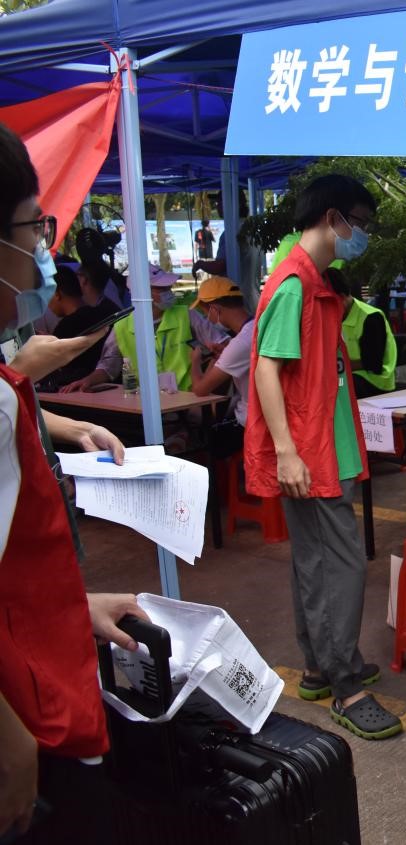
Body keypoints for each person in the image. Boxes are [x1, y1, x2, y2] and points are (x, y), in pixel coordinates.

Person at [0, 120, 148, 845]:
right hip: (35, 726)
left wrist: (68, 605)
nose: (43, 250)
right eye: (34, 226)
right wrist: (10, 743)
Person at [245, 174, 401, 740]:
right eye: (360, 223)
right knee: (341, 565)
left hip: (321, 448)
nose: (363, 235)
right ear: (333, 218)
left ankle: (319, 666)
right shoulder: (294, 286)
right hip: (310, 454)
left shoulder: (314, 282)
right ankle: (345, 686)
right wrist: (287, 453)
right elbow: (266, 370)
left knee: (316, 561)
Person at [58, 264, 226, 393]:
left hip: (188, 400)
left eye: (168, 287)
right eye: (161, 288)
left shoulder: (187, 315)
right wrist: (88, 380)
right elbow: (108, 367)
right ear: (141, 293)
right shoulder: (122, 326)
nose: (168, 292)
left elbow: (224, 344)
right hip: (147, 405)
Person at [188, 276, 255, 457]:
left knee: (209, 444)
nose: (207, 319)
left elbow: (200, 389)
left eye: (206, 313)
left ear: (215, 309)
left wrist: (195, 361)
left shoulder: (241, 342)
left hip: (251, 423)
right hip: (263, 418)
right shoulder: (255, 327)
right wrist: (223, 354)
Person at [38, 266, 115, 389]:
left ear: (57, 293)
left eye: (47, 295)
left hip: (78, 391)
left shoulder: (66, 327)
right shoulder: (103, 314)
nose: (47, 303)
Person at [333, 269, 396, 398]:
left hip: (375, 380)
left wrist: (334, 366)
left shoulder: (371, 317)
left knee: (336, 387)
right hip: (348, 373)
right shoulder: (334, 318)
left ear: (342, 297)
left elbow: (373, 364)